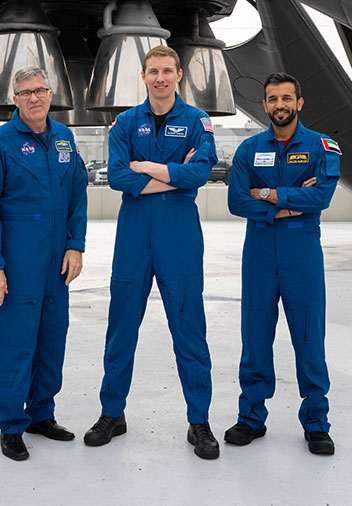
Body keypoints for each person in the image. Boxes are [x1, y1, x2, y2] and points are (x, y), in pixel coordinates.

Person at [83, 45, 220, 460]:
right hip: (134, 234)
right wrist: (175, 176)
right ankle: (112, 413)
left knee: (189, 328)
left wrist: (150, 169)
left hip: (178, 232)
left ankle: (199, 421)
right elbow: (118, 178)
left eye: (167, 71)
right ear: (143, 76)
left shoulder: (197, 121)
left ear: (179, 74)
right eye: (153, 71)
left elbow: (201, 173)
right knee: (121, 325)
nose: (160, 78)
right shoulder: (125, 122)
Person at [0, 67, 88, 461]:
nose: (33, 98)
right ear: (15, 100)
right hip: (18, 263)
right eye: (25, 93)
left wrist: (76, 245)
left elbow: (77, 195)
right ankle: (11, 426)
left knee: (53, 340)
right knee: (16, 345)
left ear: (50, 94)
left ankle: (41, 413)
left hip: (58, 262)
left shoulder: (65, 139)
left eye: (39, 91)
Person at [225, 72, 341, 455]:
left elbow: (322, 195)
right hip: (258, 252)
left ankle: (316, 423)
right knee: (255, 336)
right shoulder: (248, 150)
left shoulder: (323, 147)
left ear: (299, 103)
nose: (280, 105)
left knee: (309, 336)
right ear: (265, 105)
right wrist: (288, 205)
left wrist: (269, 193)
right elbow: (237, 201)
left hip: (302, 254)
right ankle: (251, 418)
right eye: (273, 99)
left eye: (287, 98)